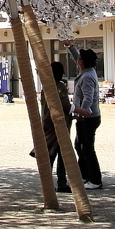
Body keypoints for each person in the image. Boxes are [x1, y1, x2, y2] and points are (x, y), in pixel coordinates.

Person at [65, 40, 103, 190]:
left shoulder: (87, 76)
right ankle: (85, 175)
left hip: (88, 117)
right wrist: (70, 47)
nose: (77, 60)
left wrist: (82, 113)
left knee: (86, 148)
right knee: (80, 146)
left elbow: (88, 97)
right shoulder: (88, 70)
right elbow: (77, 57)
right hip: (88, 116)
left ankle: (95, 179)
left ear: (82, 62)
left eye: (79, 59)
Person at [31, 61, 73, 192]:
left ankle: (48, 182)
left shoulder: (46, 87)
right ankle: (61, 182)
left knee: (51, 153)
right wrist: (77, 110)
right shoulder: (59, 86)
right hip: (59, 123)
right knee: (61, 153)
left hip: (47, 121)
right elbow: (65, 105)